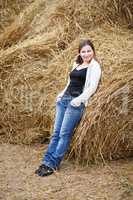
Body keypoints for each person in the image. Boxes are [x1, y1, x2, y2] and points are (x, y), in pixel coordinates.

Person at [35, 39, 102, 177]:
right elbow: (69, 83)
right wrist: (60, 94)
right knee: (55, 133)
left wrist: (78, 101)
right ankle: (45, 161)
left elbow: (92, 87)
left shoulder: (95, 66)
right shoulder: (76, 64)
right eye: (83, 51)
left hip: (75, 103)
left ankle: (52, 164)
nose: (86, 54)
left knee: (64, 134)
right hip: (63, 100)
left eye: (89, 51)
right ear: (79, 53)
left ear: (93, 51)